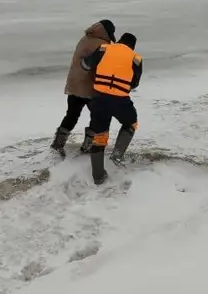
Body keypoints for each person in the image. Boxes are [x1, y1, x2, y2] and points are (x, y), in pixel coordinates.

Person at [80, 32, 143, 185]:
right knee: (131, 123)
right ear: (132, 46)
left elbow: (86, 65)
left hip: (99, 98)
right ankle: (117, 155)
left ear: (119, 41)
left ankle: (98, 177)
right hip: (120, 100)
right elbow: (134, 83)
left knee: (100, 136)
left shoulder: (104, 49)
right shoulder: (136, 58)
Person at [50, 19, 116, 156]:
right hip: (90, 87)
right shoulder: (102, 45)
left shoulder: (85, 38)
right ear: (106, 33)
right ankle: (88, 146)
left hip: (74, 84)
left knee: (72, 115)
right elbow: (102, 67)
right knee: (98, 116)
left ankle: (58, 144)